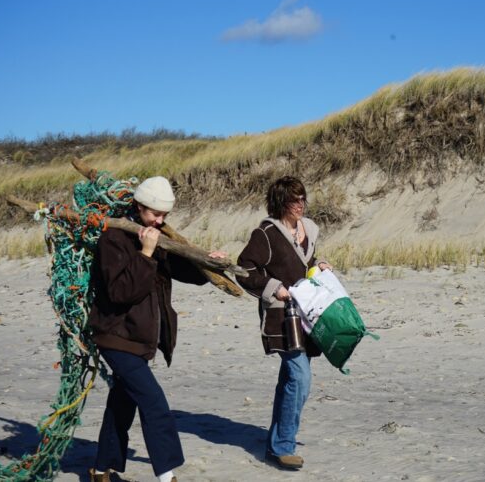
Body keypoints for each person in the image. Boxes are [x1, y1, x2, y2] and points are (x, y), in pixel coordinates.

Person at [88, 176, 225, 482]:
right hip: (116, 336)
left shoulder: (157, 235)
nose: (160, 220)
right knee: (154, 402)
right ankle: (166, 475)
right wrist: (146, 254)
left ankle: (100, 469)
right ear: (138, 206)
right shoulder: (114, 237)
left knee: (122, 404)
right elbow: (121, 292)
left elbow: (185, 270)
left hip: (140, 339)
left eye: (165, 215)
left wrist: (208, 263)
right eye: (155, 214)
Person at [237, 176, 331, 470]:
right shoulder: (265, 234)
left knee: (290, 382)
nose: (300, 205)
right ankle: (284, 447)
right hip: (280, 317)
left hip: (309, 314)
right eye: (294, 200)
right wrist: (273, 287)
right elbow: (245, 269)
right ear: (280, 202)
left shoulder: (309, 229)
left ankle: (276, 444)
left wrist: (320, 265)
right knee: (300, 379)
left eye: (303, 198)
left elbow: (307, 263)